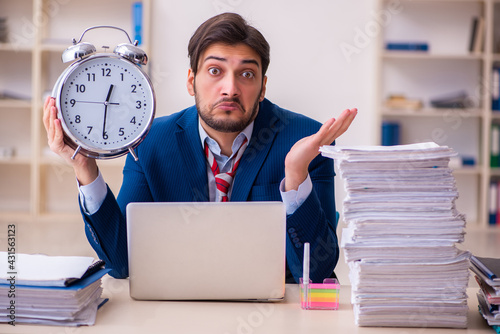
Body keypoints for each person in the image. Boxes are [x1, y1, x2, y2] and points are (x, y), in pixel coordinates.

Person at [43, 12, 357, 283]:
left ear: (263, 87)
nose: (230, 88)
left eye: (246, 74)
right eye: (215, 70)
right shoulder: (151, 140)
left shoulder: (306, 139)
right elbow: (121, 263)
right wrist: (85, 169)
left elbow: (316, 273)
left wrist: (295, 176)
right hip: (178, 310)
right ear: (191, 80)